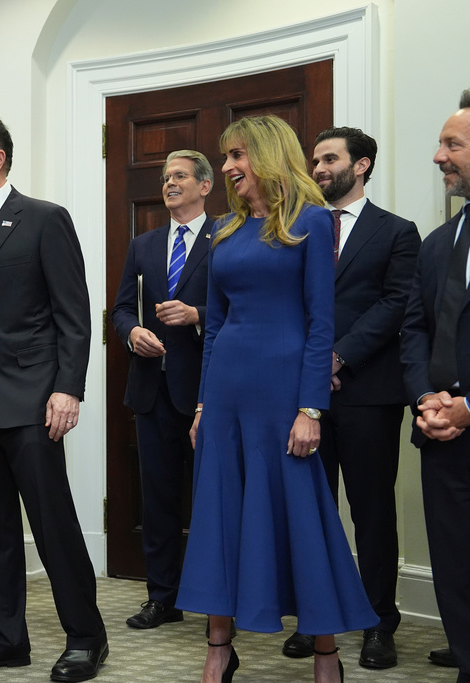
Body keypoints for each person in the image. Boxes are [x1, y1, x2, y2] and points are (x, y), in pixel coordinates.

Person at [176, 115, 377, 683]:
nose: (230, 168)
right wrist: (202, 407)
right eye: (227, 157)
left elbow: (321, 323)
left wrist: (311, 407)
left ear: (267, 157)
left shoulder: (312, 223)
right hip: (228, 393)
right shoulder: (224, 231)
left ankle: (325, 654)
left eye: (238, 156)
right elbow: (214, 328)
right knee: (219, 517)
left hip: (284, 393)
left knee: (303, 519)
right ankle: (219, 649)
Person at [0, 112, 107, 683]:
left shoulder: (44, 220)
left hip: (32, 400)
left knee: (52, 524)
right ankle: (5, 638)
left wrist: (67, 389)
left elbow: (72, 317)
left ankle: (85, 638)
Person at [275, 127, 420, 667]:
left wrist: (335, 357)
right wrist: (309, 367)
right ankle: (318, 620)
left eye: (329, 159)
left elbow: (397, 304)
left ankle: (380, 622)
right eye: (314, 160)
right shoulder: (298, 230)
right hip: (301, 395)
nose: (318, 169)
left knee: (372, 510)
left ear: (361, 166)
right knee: (311, 509)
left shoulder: (397, 232)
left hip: (367, 393)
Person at [112, 150, 215, 630]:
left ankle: (218, 597)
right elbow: (120, 309)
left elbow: (246, 310)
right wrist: (133, 332)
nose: (169, 183)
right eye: (165, 177)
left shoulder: (229, 237)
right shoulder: (144, 244)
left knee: (213, 499)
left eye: (179, 176)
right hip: (151, 391)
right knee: (157, 501)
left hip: (207, 393)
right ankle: (163, 598)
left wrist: (197, 317)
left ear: (205, 186)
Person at [400, 105, 470, 683]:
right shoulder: (437, 243)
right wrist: (427, 398)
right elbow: (415, 328)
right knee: (455, 565)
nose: (437, 157)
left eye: (452, 144)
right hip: (441, 434)